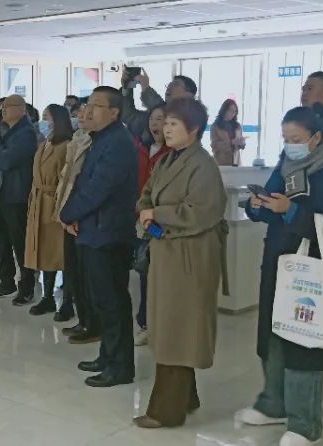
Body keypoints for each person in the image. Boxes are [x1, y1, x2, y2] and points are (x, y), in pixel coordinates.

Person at [238, 106, 323, 446]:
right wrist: (257, 206)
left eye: (297, 139)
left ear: (316, 138)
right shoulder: (285, 167)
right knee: (273, 336)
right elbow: (268, 207)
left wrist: (290, 210)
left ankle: (305, 424)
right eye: (286, 138)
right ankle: (273, 403)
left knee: (304, 342)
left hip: (312, 270)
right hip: (279, 263)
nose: (291, 145)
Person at [134, 98, 227, 428]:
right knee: (171, 327)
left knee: (178, 328)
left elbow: (201, 212)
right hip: (166, 251)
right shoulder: (167, 159)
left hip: (190, 256)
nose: (166, 128)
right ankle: (187, 397)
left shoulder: (203, 165)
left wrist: (156, 214)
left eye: (174, 123)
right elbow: (147, 195)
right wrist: (146, 215)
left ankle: (166, 411)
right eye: (165, 122)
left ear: (194, 129)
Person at [59, 86, 139, 387]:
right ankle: (108, 355)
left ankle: (120, 366)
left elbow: (98, 189)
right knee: (102, 300)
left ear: (114, 112)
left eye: (96, 106)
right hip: (94, 230)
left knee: (111, 301)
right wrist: (72, 214)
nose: (87, 111)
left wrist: (68, 214)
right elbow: (82, 182)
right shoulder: (101, 139)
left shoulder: (118, 143)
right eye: (87, 105)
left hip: (108, 234)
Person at [0, 94, 39, 304]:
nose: (3, 110)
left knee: (20, 244)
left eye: (8, 106)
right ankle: (6, 282)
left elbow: (6, 161)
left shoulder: (26, 133)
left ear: (22, 109)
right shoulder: (3, 130)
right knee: (1, 241)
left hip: (16, 195)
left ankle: (26, 287)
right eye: (2, 107)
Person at [25, 104, 73, 317]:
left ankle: (68, 301)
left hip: (56, 203)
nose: (43, 122)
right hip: (40, 202)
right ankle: (48, 298)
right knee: (45, 252)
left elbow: (67, 179)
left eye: (47, 117)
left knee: (61, 253)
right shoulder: (45, 143)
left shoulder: (66, 146)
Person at [57, 102, 99, 336]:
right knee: (73, 270)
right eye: (79, 112)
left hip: (82, 215)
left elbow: (89, 186)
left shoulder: (96, 143)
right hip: (69, 210)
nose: (80, 115)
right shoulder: (77, 139)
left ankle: (91, 323)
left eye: (86, 112)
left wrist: (73, 213)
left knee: (86, 274)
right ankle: (83, 319)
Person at [133, 103, 171, 346]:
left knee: (159, 274)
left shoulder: (172, 153)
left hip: (161, 220)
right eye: (153, 119)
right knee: (143, 270)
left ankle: (160, 324)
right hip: (140, 217)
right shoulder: (140, 147)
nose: (156, 124)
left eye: (162, 119)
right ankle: (145, 322)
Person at [121, 71, 197, 139]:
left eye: (175, 84)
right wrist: (126, 88)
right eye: (169, 84)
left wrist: (146, 88)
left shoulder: (190, 117)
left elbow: (163, 113)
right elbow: (129, 116)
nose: (169, 87)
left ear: (188, 94)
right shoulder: (156, 112)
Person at [210, 99, 246, 166]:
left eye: (235, 111)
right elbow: (214, 145)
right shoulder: (215, 126)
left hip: (236, 162)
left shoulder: (237, 126)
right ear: (224, 110)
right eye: (231, 110)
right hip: (221, 163)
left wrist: (242, 143)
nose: (233, 113)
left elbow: (241, 144)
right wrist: (231, 142)